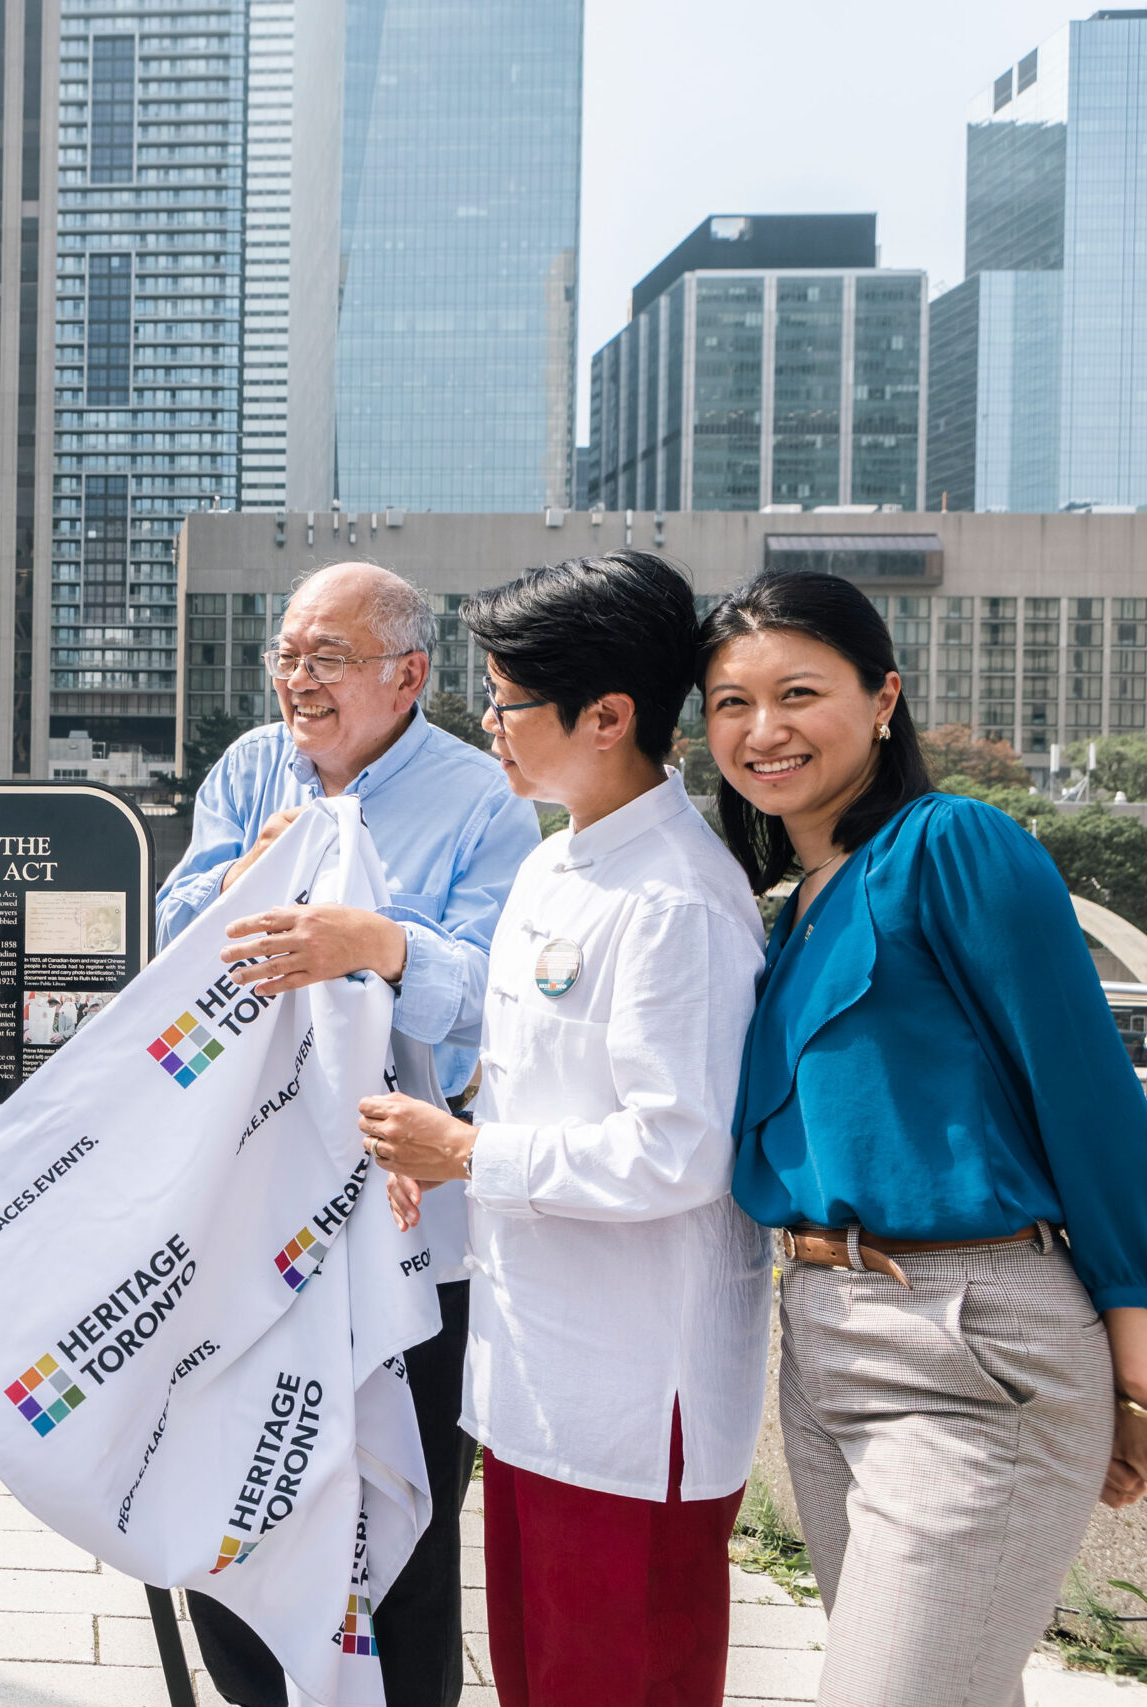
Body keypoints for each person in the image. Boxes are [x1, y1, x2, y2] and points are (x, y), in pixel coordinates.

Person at [700, 571, 1147, 1705]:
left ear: (884, 696)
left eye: (799, 692)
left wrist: (1136, 1368)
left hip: (969, 1337)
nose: (763, 731)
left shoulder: (953, 844)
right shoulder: (793, 904)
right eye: (728, 703)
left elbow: (1088, 1095)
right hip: (823, 1342)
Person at [365, 551, 767, 1707]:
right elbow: (525, 1079)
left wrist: (470, 1157)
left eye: (505, 701)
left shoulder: (677, 901)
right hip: (534, 1377)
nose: (485, 724)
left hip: (641, 1400)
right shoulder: (554, 866)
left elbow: (679, 1150)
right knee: (535, 1683)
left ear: (608, 715)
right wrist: (444, 1151)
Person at [157, 561, 538, 1707]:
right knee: (229, 1492)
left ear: (407, 674)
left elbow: (485, 1008)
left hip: (406, 1214)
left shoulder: (484, 801)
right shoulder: (247, 769)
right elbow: (176, 931)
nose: (297, 681)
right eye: (287, 655)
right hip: (246, 1205)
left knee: (402, 1517)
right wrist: (246, 878)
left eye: (327, 657)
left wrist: (373, 942)